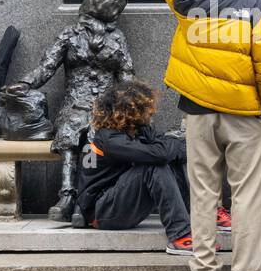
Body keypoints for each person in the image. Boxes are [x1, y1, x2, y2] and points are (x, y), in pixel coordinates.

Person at [153, 0, 261, 271]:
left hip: (197, 112)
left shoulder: (186, 0)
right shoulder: (259, 9)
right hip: (246, 115)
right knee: (247, 196)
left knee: (203, 194)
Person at [73, 80, 194, 256]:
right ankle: (180, 236)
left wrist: (170, 148)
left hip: (119, 203)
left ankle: (195, 220)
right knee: (153, 165)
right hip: (101, 212)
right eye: (145, 109)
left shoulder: (138, 129)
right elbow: (160, 153)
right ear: (130, 112)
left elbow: (167, 148)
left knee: (167, 158)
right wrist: (170, 147)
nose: (151, 113)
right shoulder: (108, 138)